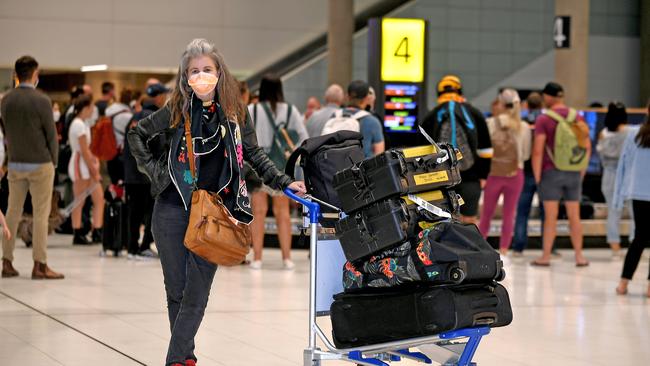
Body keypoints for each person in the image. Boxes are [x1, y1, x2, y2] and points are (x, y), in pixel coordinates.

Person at [128, 38, 305, 365]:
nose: (201, 75)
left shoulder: (237, 111)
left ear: (219, 72)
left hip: (215, 213)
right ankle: (185, 358)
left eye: (207, 69)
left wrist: (283, 182)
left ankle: (174, 359)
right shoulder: (176, 110)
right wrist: (155, 172)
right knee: (176, 292)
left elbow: (254, 155)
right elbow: (136, 134)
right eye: (194, 71)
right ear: (185, 77)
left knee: (196, 294)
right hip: (170, 208)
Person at [0, 55, 63, 279]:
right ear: (34, 74)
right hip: (40, 164)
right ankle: (40, 264)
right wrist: (53, 161)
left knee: (12, 212)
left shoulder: (6, 100)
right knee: (40, 214)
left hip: (16, 163)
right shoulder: (42, 100)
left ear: (17, 74)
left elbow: (6, 132)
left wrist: (9, 158)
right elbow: (51, 136)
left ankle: (6, 262)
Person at [247, 74, 308, 270]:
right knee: (283, 213)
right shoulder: (291, 110)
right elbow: (303, 137)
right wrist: (291, 153)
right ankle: (287, 258)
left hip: (259, 165)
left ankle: (257, 258)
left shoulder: (252, 109)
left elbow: (245, 138)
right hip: (282, 166)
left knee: (258, 212)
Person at [531, 82, 590, 267]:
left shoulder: (544, 119)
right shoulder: (577, 116)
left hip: (551, 172)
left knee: (551, 216)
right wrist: (581, 171)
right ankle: (579, 256)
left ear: (548, 97)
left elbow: (538, 151)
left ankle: (546, 256)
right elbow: (586, 146)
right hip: (573, 171)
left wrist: (538, 176)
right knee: (575, 215)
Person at [420, 75, 492, 225]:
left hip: (441, 178)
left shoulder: (432, 116)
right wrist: (483, 175)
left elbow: (422, 151)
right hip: (471, 177)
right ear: (460, 91)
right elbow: (485, 149)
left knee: (445, 220)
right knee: (469, 221)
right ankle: (470, 247)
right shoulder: (474, 113)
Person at [478, 89, 531, 255]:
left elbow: (483, 151)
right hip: (516, 173)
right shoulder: (523, 127)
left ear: (500, 104)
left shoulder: (490, 123)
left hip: (493, 173)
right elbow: (526, 153)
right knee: (509, 214)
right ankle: (504, 249)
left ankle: (480, 246)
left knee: (486, 214)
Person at [123, 83, 170, 260]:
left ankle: (132, 247)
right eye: (164, 95)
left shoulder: (133, 117)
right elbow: (159, 147)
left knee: (133, 212)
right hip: (148, 176)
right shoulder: (155, 118)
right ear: (157, 97)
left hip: (131, 174)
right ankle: (144, 246)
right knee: (151, 212)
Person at [614, 103, 650, 297]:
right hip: (640, 192)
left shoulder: (634, 134)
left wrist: (619, 196)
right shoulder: (634, 134)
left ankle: (623, 283)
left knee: (639, 238)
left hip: (638, 193)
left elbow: (624, 166)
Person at [597, 102, 635, 259]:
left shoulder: (603, 133)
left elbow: (601, 156)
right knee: (635, 212)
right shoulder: (631, 131)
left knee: (613, 212)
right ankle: (634, 245)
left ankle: (615, 248)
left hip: (609, 175)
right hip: (629, 175)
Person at [67, 95, 105, 245]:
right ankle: (77, 232)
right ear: (86, 107)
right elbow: (83, 150)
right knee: (79, 201)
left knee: (99, 199)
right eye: (91, 107)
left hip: (85, 164)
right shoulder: (78, 125)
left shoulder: (82, 123)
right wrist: (94, 170)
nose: (93, 111)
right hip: (80, 165)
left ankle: (97, 230)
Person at [512, 92, 545, 256]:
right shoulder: (546, 121)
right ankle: (548, 247)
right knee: (546, 211)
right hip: (544, 171)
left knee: (522, 211)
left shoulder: (521, 122)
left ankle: (518, 246)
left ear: (527, 105)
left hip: (525, 170)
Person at [344, 80, 385, 158]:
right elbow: (380, 155)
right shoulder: (372, 121)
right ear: (366, 98)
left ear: (347, 96)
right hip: (362, 168)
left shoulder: (335, 115)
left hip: (337, 168)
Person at [105, 89, 134, 183]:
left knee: (113, 180)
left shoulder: (110, 110)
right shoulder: (130, 116)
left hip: (110, 149)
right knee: (123, 180)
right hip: (123, 151)